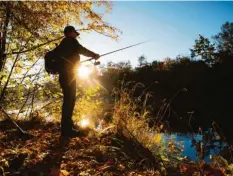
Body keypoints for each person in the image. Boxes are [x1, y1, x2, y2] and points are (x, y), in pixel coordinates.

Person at [57, 26, 100, 137]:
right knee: (69, 101)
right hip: (68, 75)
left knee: (69, 100)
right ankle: (67, 130)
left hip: (64, 75)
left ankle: (67, 127)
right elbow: (82, 50)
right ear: (71, 32)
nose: (76, 35)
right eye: (75, 33)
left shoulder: (63, 44)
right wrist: (94, 55)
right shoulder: (71, 41)